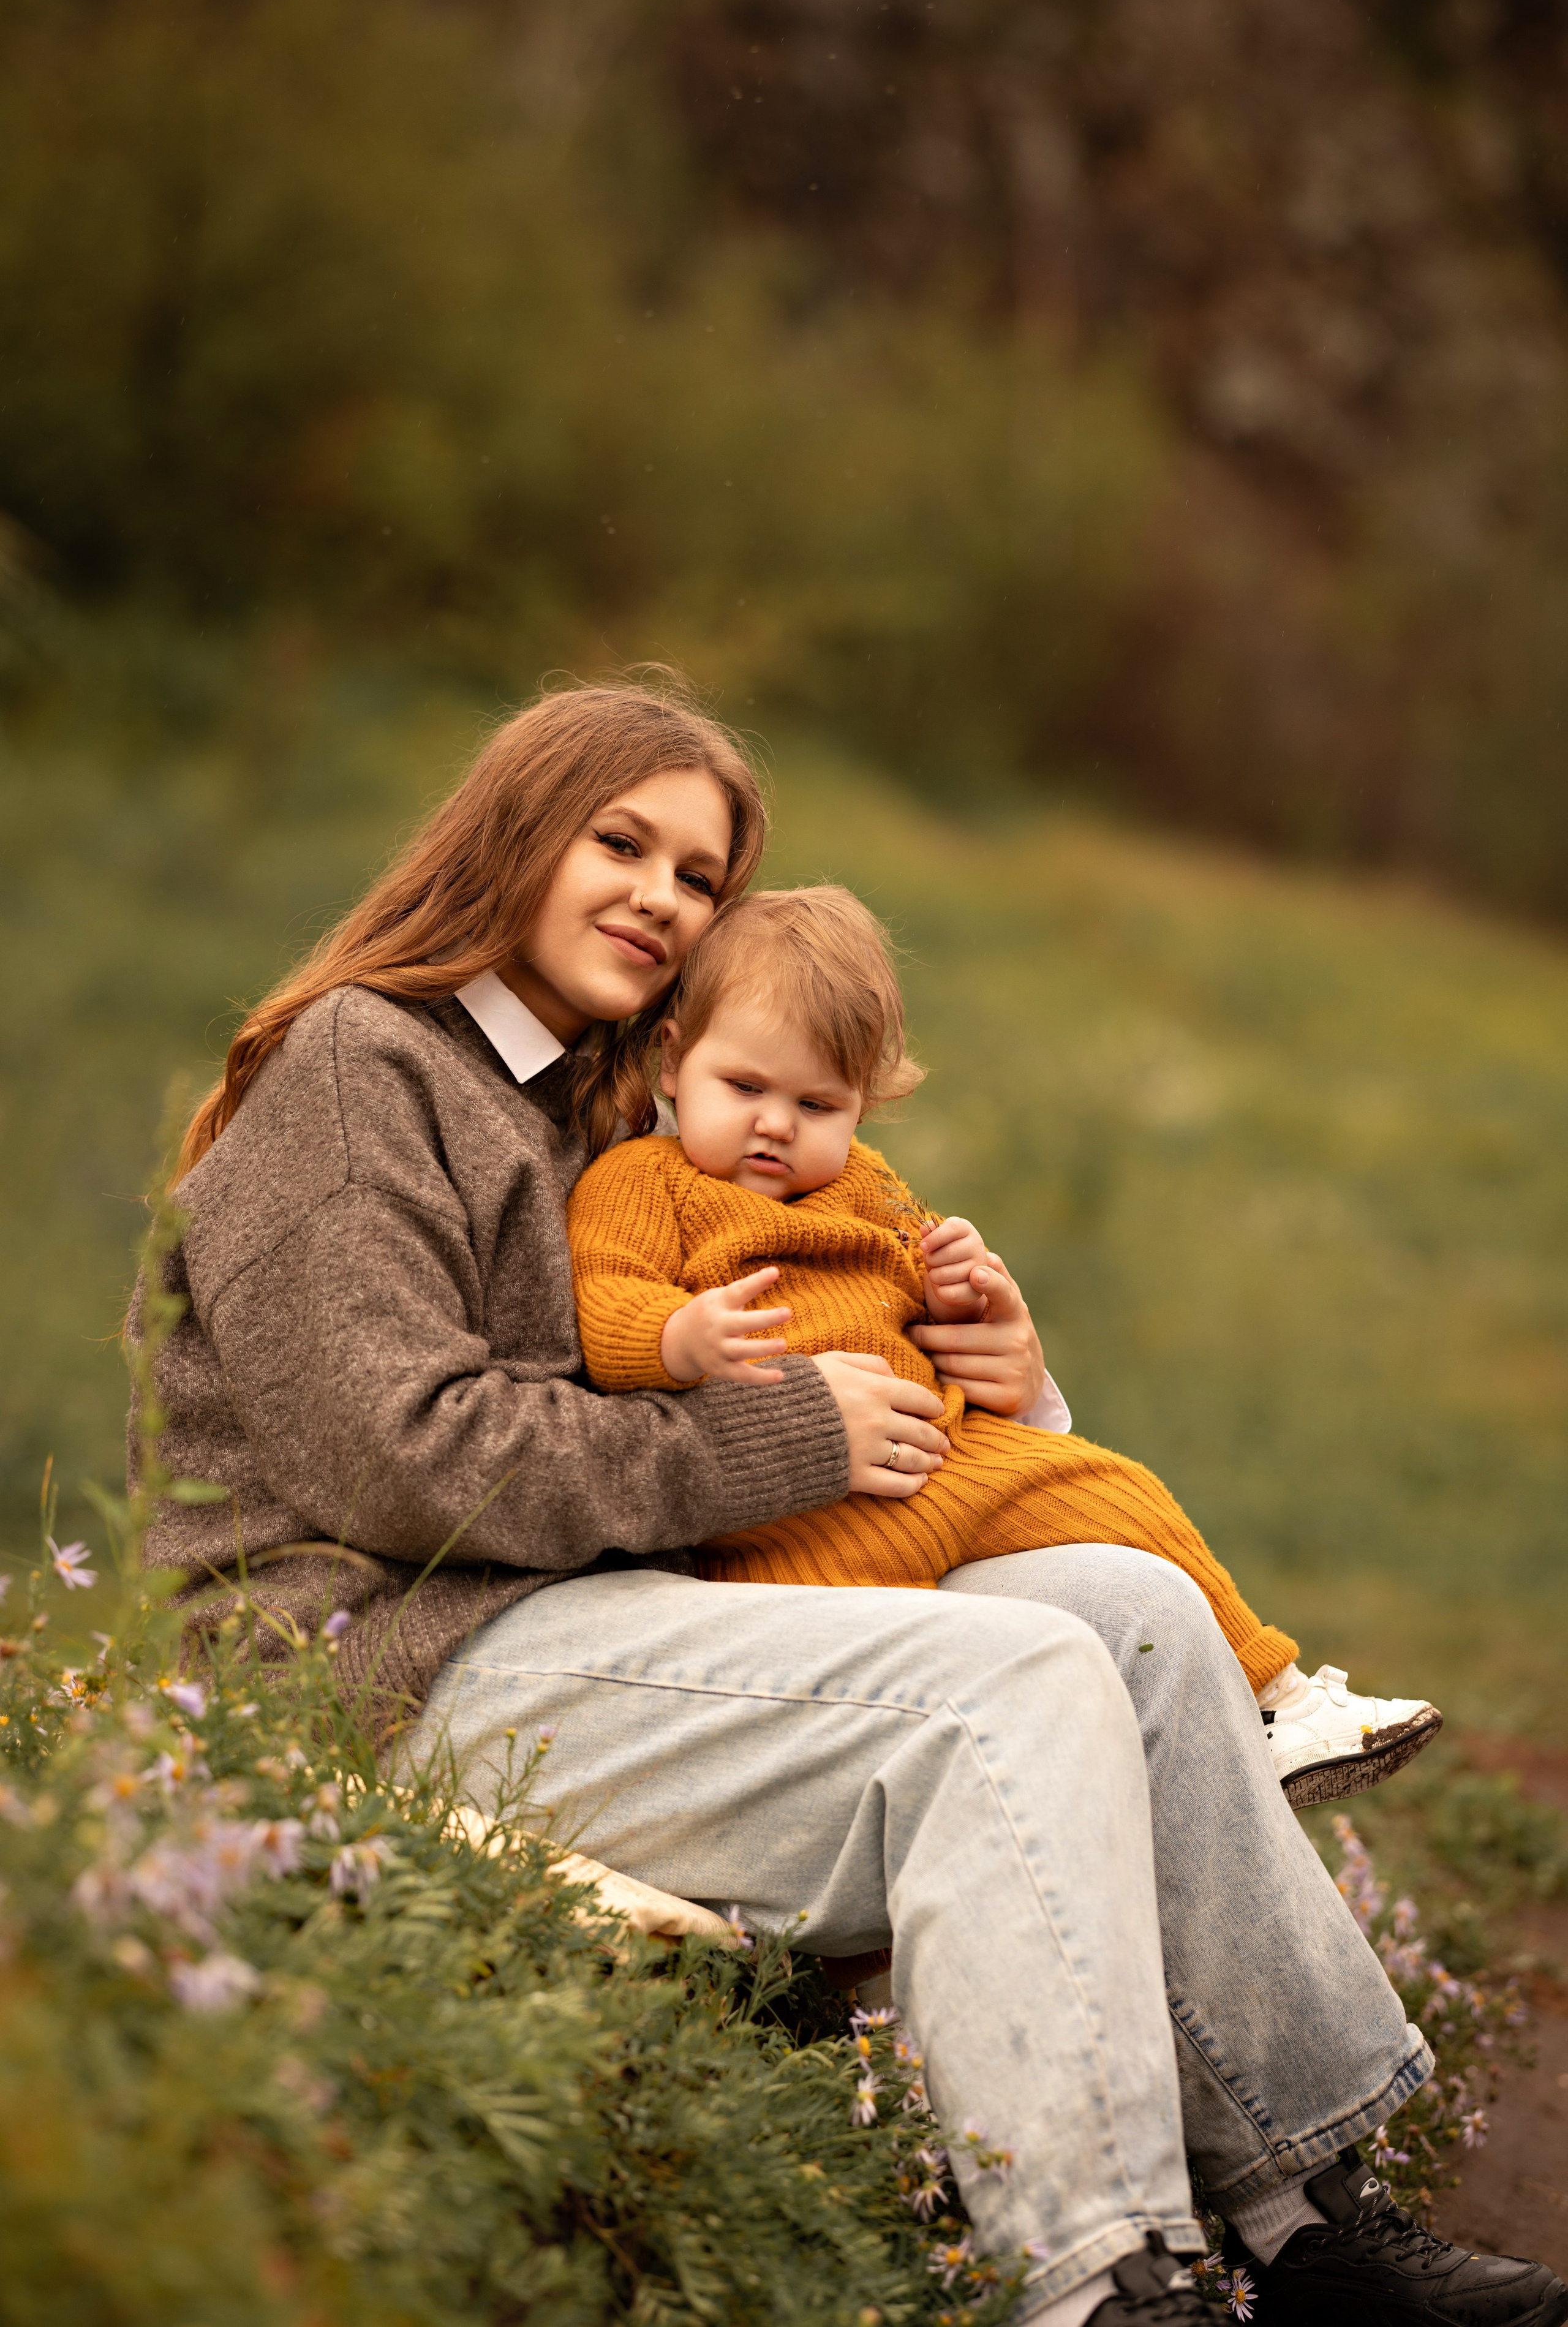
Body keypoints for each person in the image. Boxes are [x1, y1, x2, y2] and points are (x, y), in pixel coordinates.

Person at [135, 677, 1566, 2327]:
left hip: (621, 1621)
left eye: (700, 874)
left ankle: (1302, 2212)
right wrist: (785, 1438)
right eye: (625, 842)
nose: (663, 898)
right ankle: (1100, 2273)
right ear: (515, 830)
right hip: (397, 1659)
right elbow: (400, 1453)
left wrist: (1005, 1381)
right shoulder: (359, 1066)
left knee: (1138, 1614)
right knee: (1019, 1681)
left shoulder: (626, 1106)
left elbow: (777, 1377)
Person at [566, 884, 1442, 1811]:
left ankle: (1277, 1703)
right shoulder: (643, 1180)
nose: (777, 1124)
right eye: (744, 1088)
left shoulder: (865, 1184)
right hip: (789, 1495)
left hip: (934, 1454)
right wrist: (681, 1336)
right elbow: (607, 1302)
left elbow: (924, 1284)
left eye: (817, 1103)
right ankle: (1265, 1703)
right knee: (1026, 1600)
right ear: (673, 1062)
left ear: (861, 1102)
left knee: (1115, 1489)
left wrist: (959, 1286)